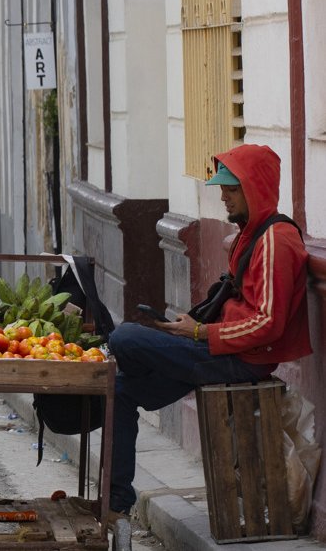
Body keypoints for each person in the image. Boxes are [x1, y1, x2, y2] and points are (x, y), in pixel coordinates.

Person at [105, 143, 310, 519]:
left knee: (124, 338)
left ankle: (143, 366)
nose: (224, 197)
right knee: (118, 391)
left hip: (239, 360)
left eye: (231, 190)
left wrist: (199, 333)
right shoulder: (251, 234)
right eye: (223, 189)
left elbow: (268, 323)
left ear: (255, 190)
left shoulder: (275, 241)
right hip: (217, 351)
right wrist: (190, 330)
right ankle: (117, 504)